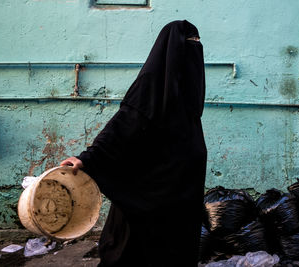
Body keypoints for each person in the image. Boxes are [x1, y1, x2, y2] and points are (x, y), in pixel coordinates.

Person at [60, 20, 207, 267]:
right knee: (136, 243)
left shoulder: (188, 89)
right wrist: (88, 157)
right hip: (152, 185)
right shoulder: (151, 83)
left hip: (181, 185)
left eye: (198, 45)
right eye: (190, 44)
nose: (195, 51)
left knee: (175, 241)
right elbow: (126, 123)